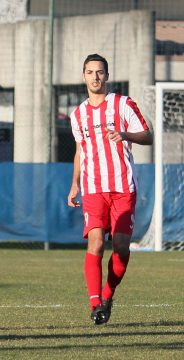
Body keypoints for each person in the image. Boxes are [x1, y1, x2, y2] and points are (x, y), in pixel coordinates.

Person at [67, 54, 152, 325]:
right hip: (93, 189)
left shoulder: (123, 104)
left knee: (121, 246)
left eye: (100, 72)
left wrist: (125, 135)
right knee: (95, 242)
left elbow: (148, 135)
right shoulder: (77, 114)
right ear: (83, 76)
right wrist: (74, 184)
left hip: (123, 187)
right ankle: (95, 304)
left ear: (107, 75)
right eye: (90, 72)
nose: (95, 77)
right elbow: (80, 150)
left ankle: (107, 294)